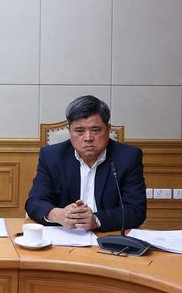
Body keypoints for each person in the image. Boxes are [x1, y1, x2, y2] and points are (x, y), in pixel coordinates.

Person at [25, 95, 147, 232]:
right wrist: (59, 215)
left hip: (108, 236)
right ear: (69, 130)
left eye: (95, 130)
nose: (88, 138)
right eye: (80, 131)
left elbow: (136, 210)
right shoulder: (51, 157)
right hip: (64, 237)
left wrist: (96, 220)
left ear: (108, 129)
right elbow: (34, 202)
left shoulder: (128, 158)